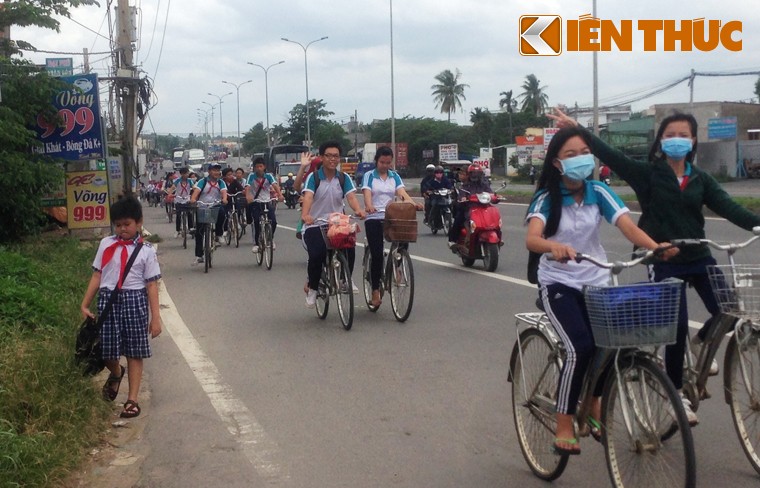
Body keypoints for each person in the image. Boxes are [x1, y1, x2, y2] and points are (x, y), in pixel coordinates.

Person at [550, 108, 760, 425]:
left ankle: (700, 342)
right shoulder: (648, 173)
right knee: (674, 328)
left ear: (693, 141)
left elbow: (730, 208)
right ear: (661, 141)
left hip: (698, 255)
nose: (677, 140)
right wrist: (579, 129)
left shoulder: (700, 179)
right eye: (671, 134)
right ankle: (677, 394)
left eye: (684, 135)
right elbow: (612, 155)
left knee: (729, 310)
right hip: (660, 258)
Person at [525, 127, 675, 455]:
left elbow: (628, 226)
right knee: (580, 347)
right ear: (556, 163)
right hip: (558, 283)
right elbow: (532, 239)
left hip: (597, 281)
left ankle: (593, 401)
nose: (580, 159)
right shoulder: (547, 198)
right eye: (570, 155)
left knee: (611, 345)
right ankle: (565, 423)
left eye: (583, 152)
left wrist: (656, 247)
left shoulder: (598, 191)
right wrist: (554, 246)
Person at [80, 196, 162, 419]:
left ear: (138, 222)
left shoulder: (146, 251)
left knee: (135, 351)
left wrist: (156, 318)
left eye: (127, 224)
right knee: (107, 350)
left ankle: (132, 399)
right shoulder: (106, 245)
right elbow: (97, 274)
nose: (122, 229)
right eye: (118, 225)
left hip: (135, 301)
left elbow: (151, 284)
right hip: (108, 300)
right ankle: (116, 373)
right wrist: (85, 303)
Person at [301, 141, 366, 307]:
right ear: (322, 157)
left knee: (350, 248)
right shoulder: (314, 177)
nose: (332, 159)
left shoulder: (343, 178)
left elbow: (351, 197)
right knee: (317, 254)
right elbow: (308, 196)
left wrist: (358, 210)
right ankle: (314, 289)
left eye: (336, 156)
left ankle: (346, 280)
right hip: (315, 224)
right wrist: (306, 215)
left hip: (337, 223)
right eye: (329, 156)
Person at [361, 146, 422, 307]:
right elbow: (367, 194)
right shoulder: (369, 176)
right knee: (377, 254)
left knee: (404, 237)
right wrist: (368, 206)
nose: (385, 165)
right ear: (376, 161)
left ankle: (398, 266)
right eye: (382, 162)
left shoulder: (394, 176)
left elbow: (402, 194)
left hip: (392, 215)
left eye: (388, 162)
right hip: (374, 216)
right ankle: (375, 290)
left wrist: (413, 204)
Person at [190, 163, 228, 265]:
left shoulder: (221, 182)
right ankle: (199, 256)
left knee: (222, 212)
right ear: (209, 171)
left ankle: (219, 234)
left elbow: (224, 193)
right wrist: (193, 199)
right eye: (214, 170)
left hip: (215, 205)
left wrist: (224, 199)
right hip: (203, 207)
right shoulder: (203, 181)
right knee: (200, 232)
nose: (216, 172)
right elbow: (196, 192)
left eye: (218, 170)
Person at [447, 164, 492, 248]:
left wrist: (496, 196)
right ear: (469, 174)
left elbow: (490, 192)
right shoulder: (466, 185)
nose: (475, 175)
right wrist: (463, 198)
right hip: (469, 207)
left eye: (477, 173)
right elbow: (462, 194)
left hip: (483, 207)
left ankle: (497, 236)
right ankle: (452, 240)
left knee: (493, 215)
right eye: (473, 173)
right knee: (459, 219)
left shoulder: (484, 184)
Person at [246, 157, 282, 253]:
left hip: (267, 201)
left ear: (264, 167)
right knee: (257, 222)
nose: (259, 168)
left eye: (260, 166)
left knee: (273, 221)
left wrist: (280, 195)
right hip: (256, 202)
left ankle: (270, 238)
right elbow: (247, 187)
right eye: (257, 166)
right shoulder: (251, 176)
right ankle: (257, 244)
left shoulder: (269, 176)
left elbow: (275, 185)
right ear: (254, 168)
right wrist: (248, 196)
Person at [170, 167, 196, 238]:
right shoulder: (177, 180)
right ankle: (177, 230)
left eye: (188, 173)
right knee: (178, 215)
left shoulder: (190, 181)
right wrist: (170, 193)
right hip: (179, 199)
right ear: (181, 174)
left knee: (189, 213)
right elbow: (172, 187)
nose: (187, 175)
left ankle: (191, 228)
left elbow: (193, 187)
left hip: (187, 199)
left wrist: (195, 190)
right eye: (185, 173)